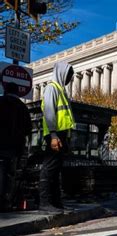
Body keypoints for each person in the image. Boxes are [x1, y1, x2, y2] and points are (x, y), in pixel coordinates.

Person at [39, 61, 75, 213]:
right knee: (49, 168)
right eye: (68, 76)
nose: (69, 79)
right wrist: (54, 135)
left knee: (56, 170)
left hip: (61, 135)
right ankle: (44, 202)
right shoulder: (52, 88)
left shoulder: (61, 90)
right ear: (61, 73)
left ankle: (56, 202)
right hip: (54, 135)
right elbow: (49, 112)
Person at [0, 83, 32, 211]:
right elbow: (28, 129)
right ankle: (6, 201)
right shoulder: (21, 106)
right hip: (14, 146)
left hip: (1, 143)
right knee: (10, 173)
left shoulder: (0, 102)